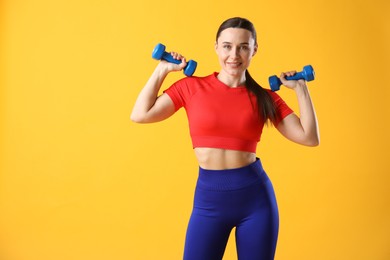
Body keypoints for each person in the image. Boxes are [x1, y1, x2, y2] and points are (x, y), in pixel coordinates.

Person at [131, 17, 319, 260]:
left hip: (256, 203)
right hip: (208, 203)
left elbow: (309, 137)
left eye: (243, 46)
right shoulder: (190, 88)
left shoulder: (264, 98)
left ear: (254, 50)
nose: (234, 54)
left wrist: (301, 89)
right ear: (216, 47)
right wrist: (163, 70)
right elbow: (140, 114)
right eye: (227, 46)